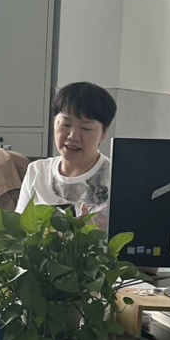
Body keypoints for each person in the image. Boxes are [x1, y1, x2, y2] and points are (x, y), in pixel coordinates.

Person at [16, 81, 117, 230]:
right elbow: (19, 232)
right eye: (65, 124)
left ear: (104, 133)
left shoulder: (116, 178)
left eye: (86, 128)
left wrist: (90, 235)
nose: (73, 135)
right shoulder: (37, 171)